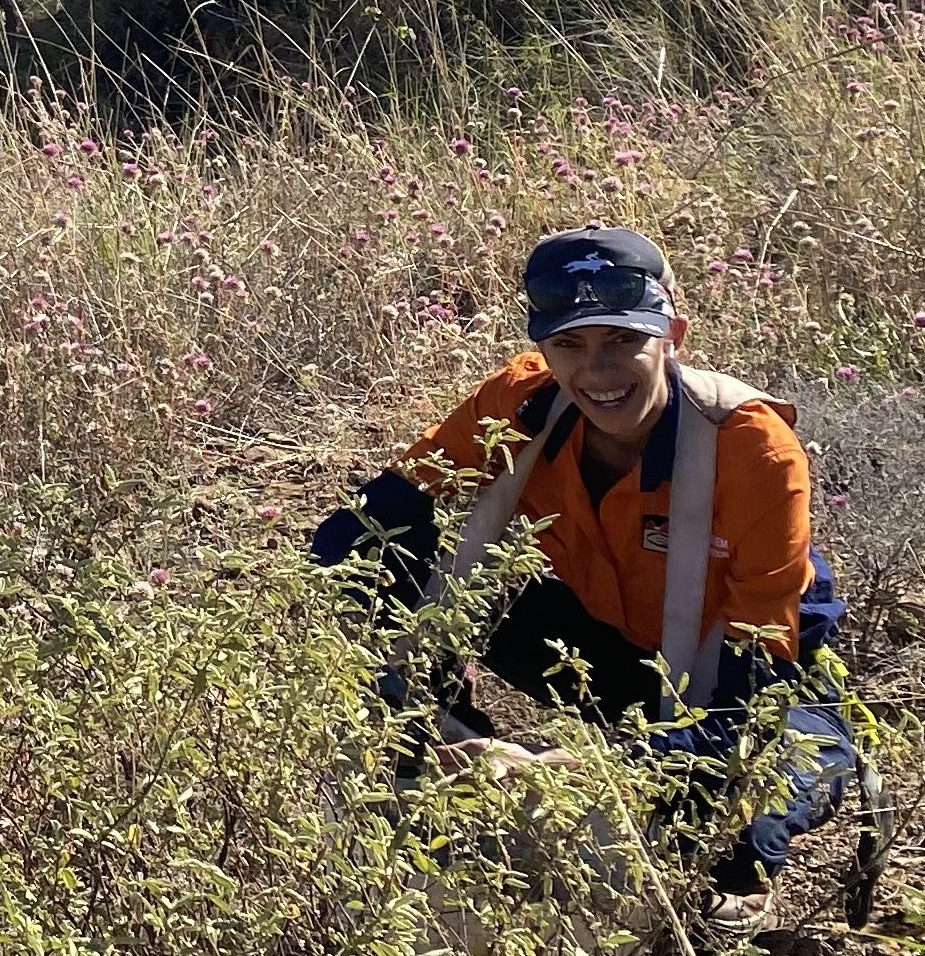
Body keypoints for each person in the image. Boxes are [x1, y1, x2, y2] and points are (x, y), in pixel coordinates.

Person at [312, 225, 855, 933]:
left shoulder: (751, 448)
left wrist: (596, 767)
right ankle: (449, 745)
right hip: (608, 641)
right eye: (570, 345)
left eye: (621, 340)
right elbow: (358, 533)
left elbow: (752, 684)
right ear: (543, 349)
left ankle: (749, 854)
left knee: (757, 801)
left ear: (672, 334)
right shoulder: (521, 403)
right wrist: (405, 692)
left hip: (745, 674)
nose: (597, 373)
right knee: (383, 557)